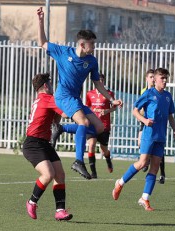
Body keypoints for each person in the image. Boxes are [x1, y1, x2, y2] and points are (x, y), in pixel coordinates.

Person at [37, 7, 123, 180]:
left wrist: (111, 100)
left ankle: (61, 128)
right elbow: (43, 42)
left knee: (99, 127)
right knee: (83, 122)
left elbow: (98, 84)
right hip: (63, 97)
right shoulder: (63, 52)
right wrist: (40, 21)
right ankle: (78, 161)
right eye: (92, 44)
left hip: (75, 99)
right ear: (82, 45)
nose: (94, 46)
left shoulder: (92, 61)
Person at [112, 68, 175, 211]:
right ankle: (120, 182)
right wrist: (144, 120)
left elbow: (170, 115)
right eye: (162, 78)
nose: (165, 81)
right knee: (142, 163)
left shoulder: (168, 96)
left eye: (166, 78)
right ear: (155, 79)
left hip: (161, 136)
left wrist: (174, 129)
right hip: (149, 134)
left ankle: (145, 198)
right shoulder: (148, 94)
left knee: (155, 167)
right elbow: (134, 110)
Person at [22, 73, 73, 221]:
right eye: (50, 84)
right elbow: (65, 114)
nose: (52, 87)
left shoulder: (42, 99)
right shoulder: (47, 98)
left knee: (60, 175)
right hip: (33, 144)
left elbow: (56, 118)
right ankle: (31, 202)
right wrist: (73, 101)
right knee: (48, 174)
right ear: (45, 86)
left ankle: (60, 211)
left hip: (43, 143)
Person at [85, 73, 116, 178]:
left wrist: (107, 111)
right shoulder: (89, 94)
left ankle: (108, 159)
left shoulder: (109, 93)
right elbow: (88, 107)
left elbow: (115, 107)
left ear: (104, 81)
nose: (100, 82)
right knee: (91, 145)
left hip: (104, 125)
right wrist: (93, 111)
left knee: (104, 149)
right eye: (98, 80)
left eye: (102, 80)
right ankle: (93, 172)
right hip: (93, 124)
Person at [139, 69, 166, 184]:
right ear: (148, 79)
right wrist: (144, 118)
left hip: (157, 128)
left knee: (158, 151)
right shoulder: (145, 92)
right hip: (145, 123)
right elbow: (138, 110)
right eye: (149, 77)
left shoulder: (162, 94)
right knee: (140, 144)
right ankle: (146, 162)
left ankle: (162, 172)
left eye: (152, 77)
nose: (151, 79)